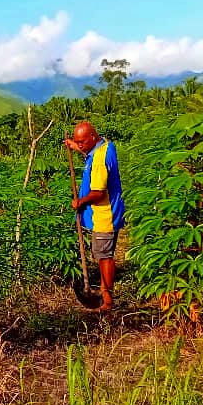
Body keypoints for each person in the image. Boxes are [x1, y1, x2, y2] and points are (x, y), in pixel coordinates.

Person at [64, 122, 125, 311]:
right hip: (109, 211)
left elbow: (98, 192)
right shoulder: (106, 145)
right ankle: (105, 294)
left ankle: (107, 301)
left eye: (82, 142)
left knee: (104, 256)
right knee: (102, 255)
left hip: (104, 215)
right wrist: (76, 147)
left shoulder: (99, 160)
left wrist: (80, 202)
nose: (80, 145)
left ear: (92, 137)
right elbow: (90, 153)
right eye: (77, 142)